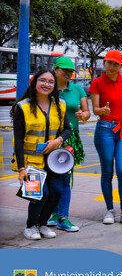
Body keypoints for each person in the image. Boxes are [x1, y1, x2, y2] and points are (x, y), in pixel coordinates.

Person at [12, 69, 71, 240]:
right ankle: (30, 226)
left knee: (57, 192)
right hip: (31, 161)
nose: (46, 84)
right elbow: (17, 141)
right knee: (40, 194)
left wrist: (57, 141)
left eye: (51, 82)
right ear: (35, 82)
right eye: (42, 80)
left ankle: (42, 224)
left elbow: (67, 129)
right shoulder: (22, 107)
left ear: (54, 85)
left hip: (53, 160)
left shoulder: (60, 105)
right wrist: (22, 168)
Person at [89, 50, 122, 226]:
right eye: (109, 62)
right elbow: (95, 109)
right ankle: (110, 209)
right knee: (107, 171)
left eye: (116, 64)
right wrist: (102, 111)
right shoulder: (97, 82)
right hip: (105, 129)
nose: (112, 66)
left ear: (120, 66)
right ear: (104, 63)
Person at [46, 57, 90, 232]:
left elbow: (86, 112)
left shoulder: (77, 89)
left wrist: (83, 116)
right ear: (55, 69)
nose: (68, 73)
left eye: (71, 71)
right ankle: (53, 214)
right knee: (50, 179)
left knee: (65, 179)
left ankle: (63, 216)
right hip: (48, 138)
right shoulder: (48, 87)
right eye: (64, 69)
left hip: (69, 139)